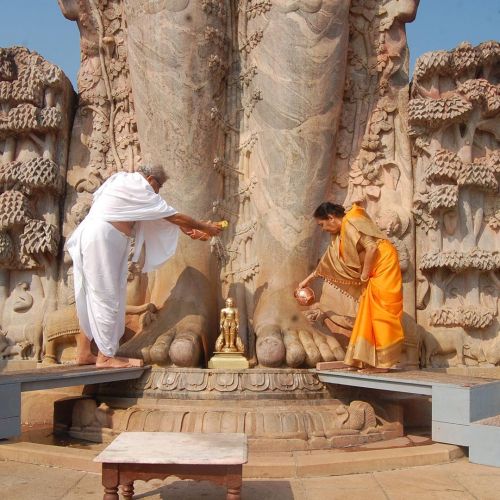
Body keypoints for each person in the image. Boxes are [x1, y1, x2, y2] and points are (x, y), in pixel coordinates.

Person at [67, 165, 221, 368]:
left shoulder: (122, 182)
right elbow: (169, 215)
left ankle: (84, 353)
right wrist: (204, 226)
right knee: (107, 295)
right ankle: (106, 356)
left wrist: (188, 228)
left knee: (91, 294)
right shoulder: (138, 184)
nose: (156, 193)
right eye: (157, 188)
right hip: (103, 240)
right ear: (149, 179)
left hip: (96, 236)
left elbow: (158, 216)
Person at [298, 202, 404, 373]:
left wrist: (364, 275)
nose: (323, 229)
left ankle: (383, 363)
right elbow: (328, 261)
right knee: (367, 312)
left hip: (384, 264)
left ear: (331, 218)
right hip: (375, 270)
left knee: (382, 312)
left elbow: (371, 248)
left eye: (322, 224)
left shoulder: (353, 221)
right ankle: (365, 360)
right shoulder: (340, 235)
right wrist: (308, 280)